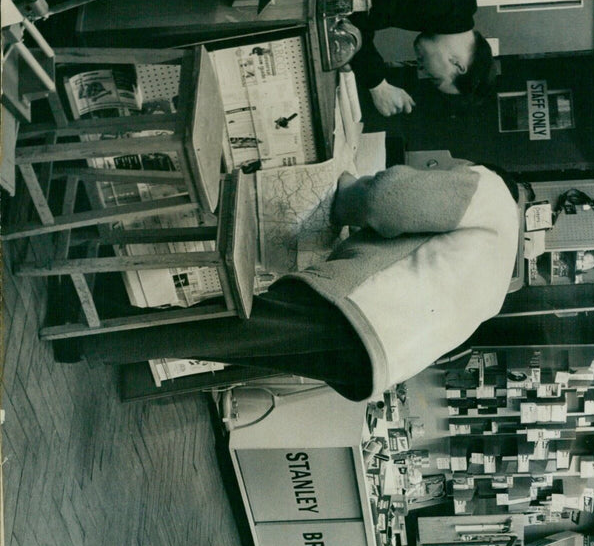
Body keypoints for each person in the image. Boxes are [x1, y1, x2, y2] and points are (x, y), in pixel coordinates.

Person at [72, 162, 521, 403]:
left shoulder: (491, 189)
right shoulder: (499, 277)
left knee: (222, 328)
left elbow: (390, 199)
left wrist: (347, 195)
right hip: (376, 364)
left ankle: (84, 331)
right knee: (222, 339)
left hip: (357, 313)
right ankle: (95, 334)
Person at [340, 0, 497, 116]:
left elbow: (359, 16)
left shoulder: (455, 7)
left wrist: (353, 52)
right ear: (458, 65)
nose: (421, 69)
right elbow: (352, 0)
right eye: (435, 78)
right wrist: (376, 84)